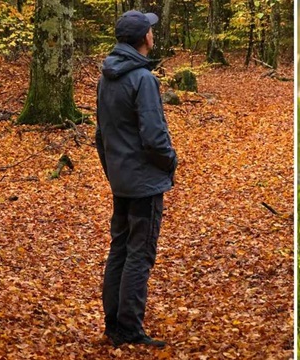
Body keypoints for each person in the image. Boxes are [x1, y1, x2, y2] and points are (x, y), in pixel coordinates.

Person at [95, 10, 177, 348]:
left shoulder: (107, 76)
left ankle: (114, 325)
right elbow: (154, 136)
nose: (153, 34)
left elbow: (101, 135)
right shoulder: (143, 79)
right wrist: (169, 162)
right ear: (144, 37)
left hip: (121, 179)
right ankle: (128, 328)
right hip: (143, 182)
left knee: (120, 250)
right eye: (150, 30)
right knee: (139, 254)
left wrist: (113, 170)